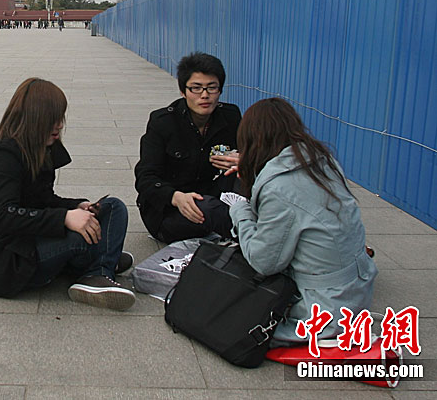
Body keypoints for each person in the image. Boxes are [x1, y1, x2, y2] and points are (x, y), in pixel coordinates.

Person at [0, 78, 136, 310]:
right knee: (79, 237)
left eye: (61, 118)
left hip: (31, 239)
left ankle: (98, 264)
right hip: (10, 259)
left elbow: (44, 201)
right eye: (53, 120)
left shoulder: (42, 148)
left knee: (113, 207)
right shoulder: (3, 155)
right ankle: (98, 267)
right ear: (34, 119)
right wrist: (64, 218)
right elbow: (5, 215)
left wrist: (76, 206)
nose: (59, 125)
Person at [229, 98, 377, 344]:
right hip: (356, 289)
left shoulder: (279, 187)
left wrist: (239, 211)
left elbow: (263, 262)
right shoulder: (321, 160)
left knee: (229, 320)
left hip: (323, 309)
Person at [134, 52, 241, 242]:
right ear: (183, 91)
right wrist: (175, 197)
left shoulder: (230, 117)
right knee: (211, 209)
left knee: (243, 175)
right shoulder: (163, 122)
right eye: (196, 88)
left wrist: (242, 161)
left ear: (220, 90)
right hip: (169, 210)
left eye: (212, 88)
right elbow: (145, 178)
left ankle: (239, 226)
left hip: (209, 196)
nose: (205, 95)